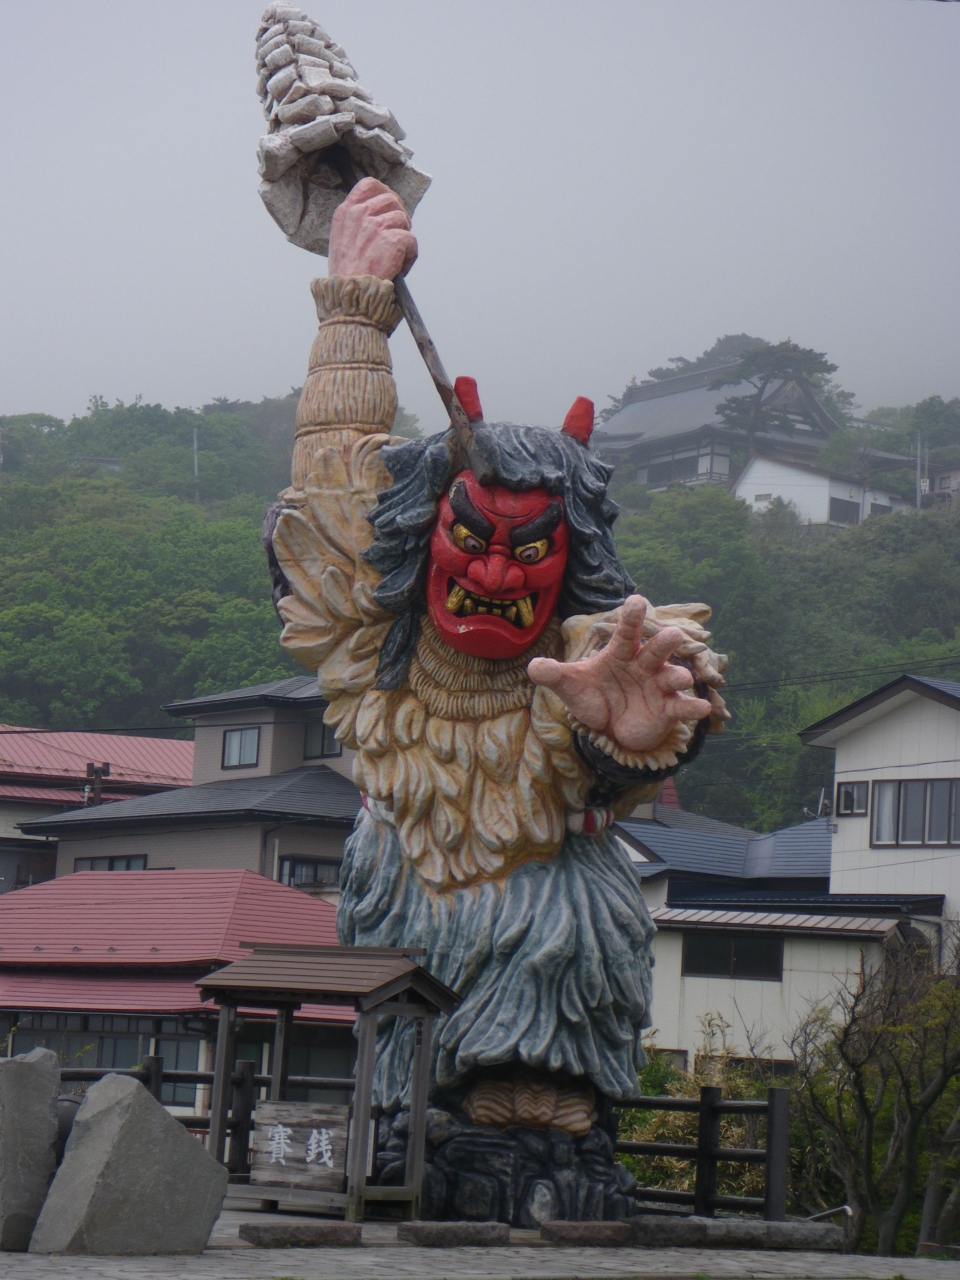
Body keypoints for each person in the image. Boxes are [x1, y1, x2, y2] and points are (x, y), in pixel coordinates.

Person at [269, 177, 728, 1220]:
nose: (494, 573)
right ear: (426, 531)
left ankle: (537, 1122)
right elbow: (339, 490)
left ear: (571, 564)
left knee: (553, 971)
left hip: (542, 912)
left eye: (532, 551)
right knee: (398, 1015)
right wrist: (353, 312)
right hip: (403, 884)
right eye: (469, 538)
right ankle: (401, 1114)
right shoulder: (373, 635)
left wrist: (637, 736)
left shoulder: (587, 654)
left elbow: (663, 674)